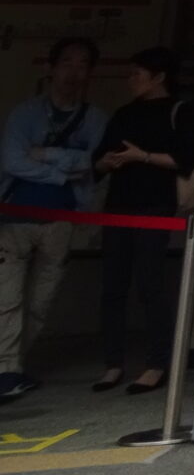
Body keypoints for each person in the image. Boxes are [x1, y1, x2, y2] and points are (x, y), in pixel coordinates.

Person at [0, 38, 109, 403]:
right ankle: (8, 369)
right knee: (8, 297)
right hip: (14, 217)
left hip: (63, 220)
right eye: (66, 63)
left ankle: (12, 362)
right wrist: (64, 170)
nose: (72, 72)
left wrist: (46, 154)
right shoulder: (25, 113)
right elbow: (13, 161)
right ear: (51, 68)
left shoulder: (95, 119)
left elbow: (90, 163)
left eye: (81, 64)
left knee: (41, 300)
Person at [92, 47, 194, 395]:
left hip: (156, 205)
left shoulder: (179, 112)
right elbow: (97, 161)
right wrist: (108, 161)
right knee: (112, 286)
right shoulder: (123, 113)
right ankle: (113, 363)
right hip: (119, 203)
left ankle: (157, 363)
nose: (131, 80)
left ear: (159, 76)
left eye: (137, 74)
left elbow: (186, 159)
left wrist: (144, 156)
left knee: (151, 285)